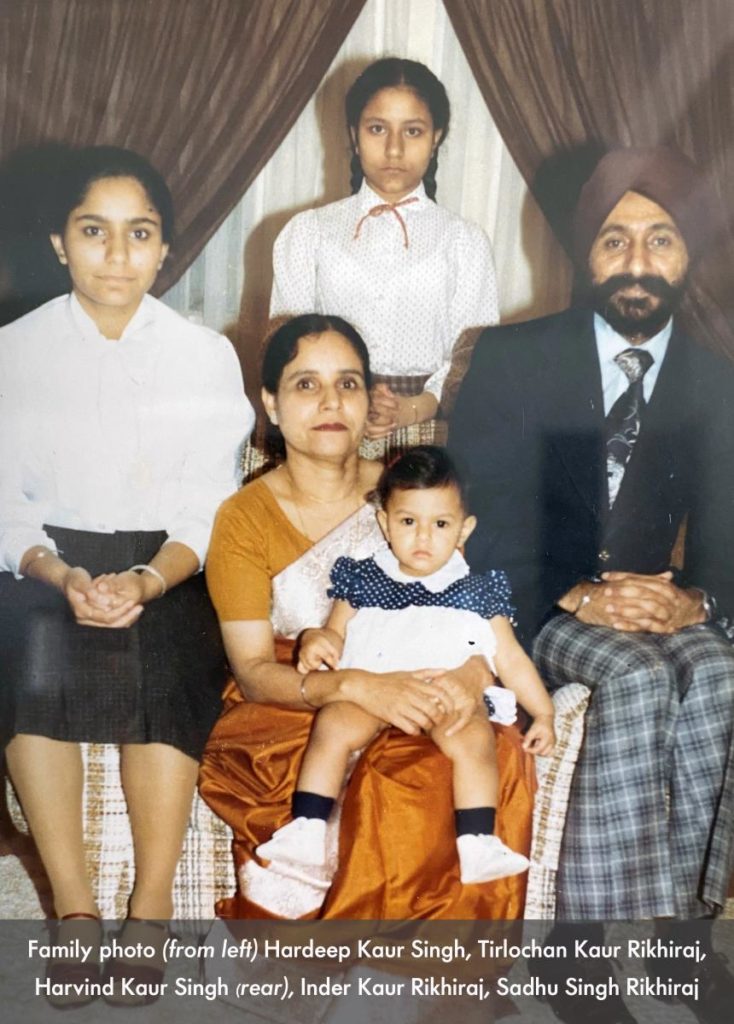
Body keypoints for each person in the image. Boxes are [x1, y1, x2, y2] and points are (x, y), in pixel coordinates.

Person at [449, 146, 734, 1020]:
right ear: (585, 253)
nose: (638, 263)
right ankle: (575, 952)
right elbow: (481, 512)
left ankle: (682, 937)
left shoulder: (718, 380)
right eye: (615, 242)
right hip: (540, 598)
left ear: (689, 257)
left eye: (661, 241)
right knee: (641, 680)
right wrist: (575, 593)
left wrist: (699, 600)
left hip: (656, 595)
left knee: (721, 672)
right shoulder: (516, 357)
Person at [0, 146, 253, 998]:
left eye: (138, 234)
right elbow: (4, 507)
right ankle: (74, 912)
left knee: (177, 656)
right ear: (59, 245)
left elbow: (207, 510)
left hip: (166, 564)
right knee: (28, 659)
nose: (117, 255)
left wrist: (146, 581)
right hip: (44, 565)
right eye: (94, 232)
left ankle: (147, 913)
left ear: (165, 249)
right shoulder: (13, 351)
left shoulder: (204, 355)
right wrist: (59, 573)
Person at [200, 316, 535, 920]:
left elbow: (473, 615)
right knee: (389, 776)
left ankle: (428, 987)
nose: (331, 402)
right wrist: (357, 686)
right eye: (306, 385)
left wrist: (472, 676)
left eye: (349, 384)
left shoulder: (420, 502)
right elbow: (252, 672)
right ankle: (343, 968)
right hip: (299, 702)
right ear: (271, 403)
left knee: (480, 755)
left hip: (429, 683)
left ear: (370, 400)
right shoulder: (243, 519)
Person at [255, 446, 555, 901]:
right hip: (370, 690)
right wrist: (317, 641)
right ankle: (308, 826)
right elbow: (333, 635)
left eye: (440, 524)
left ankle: (477, 838)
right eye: (408, 521)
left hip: (445, 694)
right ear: (384, 522)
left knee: (471, 738)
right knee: (333, 723)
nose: (423, 538)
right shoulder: (362, 578)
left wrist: (544, 713)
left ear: (464, 529)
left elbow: (510, 659)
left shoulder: (478, 588)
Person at [270, 57, 498, 447]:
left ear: (436, 137)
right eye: (378, 129)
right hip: (328, 426)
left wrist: (413, 407)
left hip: (429, 434)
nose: (394, 149)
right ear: (354, 136)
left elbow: (471, 358)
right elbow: (285, 349)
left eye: (413, 131)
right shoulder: (308, 233)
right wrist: (348, 398)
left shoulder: (464, 242)